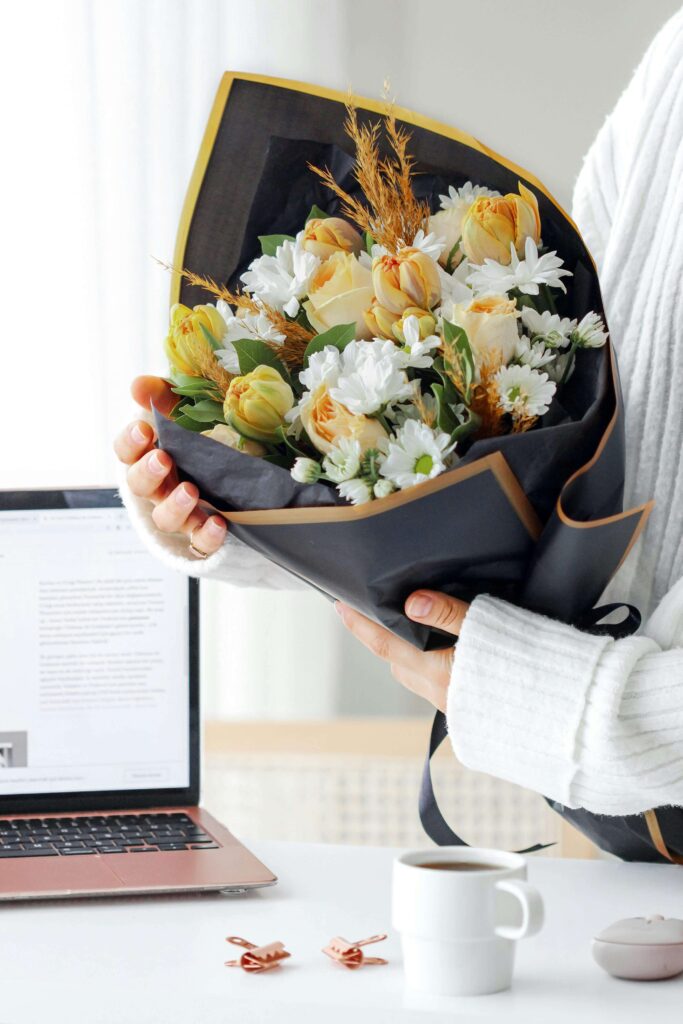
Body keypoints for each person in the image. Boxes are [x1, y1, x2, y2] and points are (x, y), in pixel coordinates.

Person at [114, 11, 683, 821]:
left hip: (608, 768)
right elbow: (578, 354)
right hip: (630, 842)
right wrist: (228, 492)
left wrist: (567, 707)